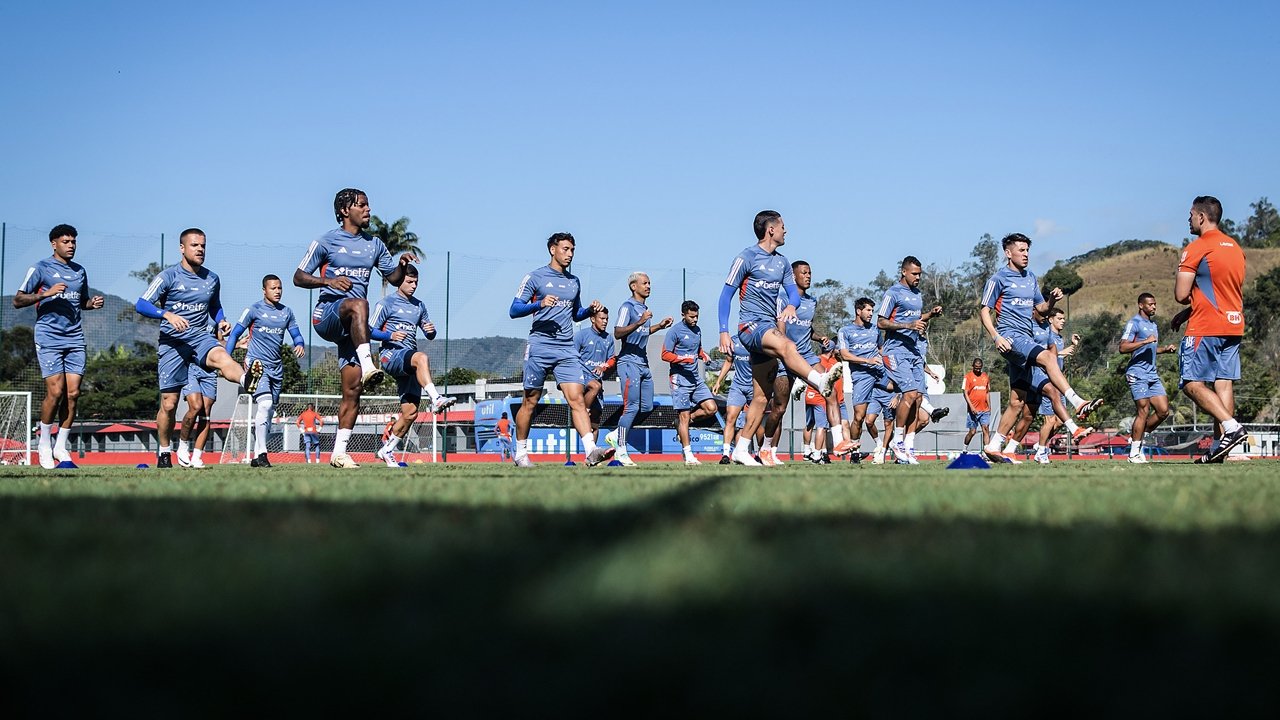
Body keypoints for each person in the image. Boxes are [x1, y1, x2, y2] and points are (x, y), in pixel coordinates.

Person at [294, 188, 415, 468]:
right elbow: (298, 277)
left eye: (368, 204)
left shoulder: (375, 244)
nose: (368, 210)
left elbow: (394, 278)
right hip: (327, 316)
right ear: (345, 210)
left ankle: (338, 452)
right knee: (360, 304)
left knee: (353, 390)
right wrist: (329, 283)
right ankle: (369, 362)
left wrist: (401, 265)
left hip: (354, 329)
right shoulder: (326, 241)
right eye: (362, 205)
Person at [716, 211, 840, 466]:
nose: (786, 230)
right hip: (750, 327)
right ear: (770, 229)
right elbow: (725, 296)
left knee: (761, 397)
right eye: (783, 226)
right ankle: (819, 380)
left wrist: (792, 306)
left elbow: (793, 295)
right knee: (787, 344)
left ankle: (741, 449)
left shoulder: (783, 262)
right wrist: (723, 330)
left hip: (767, 329)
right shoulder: (746, 258)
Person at [136, 228, 261, 468]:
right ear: (182, 248)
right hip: (172, 343)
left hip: (199, 338)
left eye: (203, 245)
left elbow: (215, 306)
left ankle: (246, 379)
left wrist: (221, 320)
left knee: (221, 355)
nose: (200, 249)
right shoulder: (168, 276)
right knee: (169, 404)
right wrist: (167, 314)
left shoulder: (212, 278)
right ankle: (164, 451)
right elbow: (141, 304)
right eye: (195, 245)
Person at [979, 233, 1102, 463]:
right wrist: (996, 337)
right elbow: (984, 310)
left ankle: (994, 445)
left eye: (1027, 250)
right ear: (1008, 253)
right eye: (1021, 250)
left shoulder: (1031, 278)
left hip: (1024, 339)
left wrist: (1053, 301)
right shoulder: (998, 279)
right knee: (1047, 357)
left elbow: (1042, 309)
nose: (1026, 255)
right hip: (1010, 336)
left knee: (1018, 401)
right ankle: (1077, 401)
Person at [508, 232, 614, 467]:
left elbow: (575, 314)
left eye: (572, 250)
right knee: (530, 401)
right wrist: (539, 303)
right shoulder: (535, 277)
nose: (570, 254)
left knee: (576, 399)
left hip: (566, 348)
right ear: (552, 249)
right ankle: (520, 453)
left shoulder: (574, 281)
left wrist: (589, 311)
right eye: (565, 249)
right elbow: (514, 310)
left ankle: (591, 450)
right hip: (540, 345)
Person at [13, 224, 104, 469]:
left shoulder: (79, 271)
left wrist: (91, 303)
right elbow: (18, 299)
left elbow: (80, 301)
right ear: (54, 244)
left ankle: (60, 446)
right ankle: (43, 443)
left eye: (73, 241)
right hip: (49, 337)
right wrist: (45, 294)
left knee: (73, 394)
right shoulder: (40, 268)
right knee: (55, 392)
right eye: (66, 241)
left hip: (75, 337)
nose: (71, 245)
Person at [1171, 195, 1248, 463]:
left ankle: (1231, 427)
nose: (1188, 219)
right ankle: (1219, 447)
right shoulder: (1235, 247)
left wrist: (1186, 303)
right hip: (1234, 325)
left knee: (1191, 383)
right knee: (1223, 383)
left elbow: (1181, 293)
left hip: (1206, 326)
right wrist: (1187, 311)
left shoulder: (1197, 247)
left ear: (1201, 217)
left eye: (1191, 214)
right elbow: (1218, 290)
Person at [762, 260, 851, 465]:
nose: (808, 276)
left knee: (830, 391)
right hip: (785, 357)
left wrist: (819, 338)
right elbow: (780, 328)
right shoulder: (782, 298)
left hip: (807, 356)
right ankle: (766, 449)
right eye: (804, 273)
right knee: (779, 408)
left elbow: (806, 329)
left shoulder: (811, 302)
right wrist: (785, 352)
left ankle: (838, 441)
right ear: (793, 277)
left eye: (810, 272)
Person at [369, 264, 457, 467]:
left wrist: (430, 331)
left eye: (416, 282)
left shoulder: (419, 306)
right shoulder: (386, 304)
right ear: (399, 281)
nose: (414, 285)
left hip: (408, 362)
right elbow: (367, 330)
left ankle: (387, 450)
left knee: (410, 414)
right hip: (391, 356)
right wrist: (389, 335)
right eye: (409, 281)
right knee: (422, 358)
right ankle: (435, 398)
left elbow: (429, 333)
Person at [225, 274, 306, 468]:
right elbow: (235, 333)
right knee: (265, 404)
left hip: (276, 367)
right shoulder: (253, 310)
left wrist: (299, 343)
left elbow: (296, 333)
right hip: (255, 364)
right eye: (273, 288)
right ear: (264, 290)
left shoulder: (287, 312)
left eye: (279, 288)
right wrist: (226, 360)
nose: (277, 291)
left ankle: (256, 454)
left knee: (269, 412)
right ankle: (262, 454)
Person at [877, 255, 943, 465]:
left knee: (917, 398)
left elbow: (916, 318)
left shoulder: (917, 294)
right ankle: (897, 441)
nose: (918, 277)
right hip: (895, 351)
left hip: (914, 352)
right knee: (910, 393)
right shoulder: (893, 293)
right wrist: (908, 326)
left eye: (920, 274)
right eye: (914, 274)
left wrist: (929, 315)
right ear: (903, 272)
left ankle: (909, 446)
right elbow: (881, 322)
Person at [608, 271, 674, 466]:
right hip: (628, 363)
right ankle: (621, 450)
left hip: (643, 363)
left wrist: (659, 326)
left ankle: (616, 434)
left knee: (647, 406)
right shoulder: (627, 307)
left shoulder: (644, 308)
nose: (648, 286)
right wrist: (639, 321)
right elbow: (618, 332)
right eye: (644, 283)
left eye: (649, 283)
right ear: (633, 286)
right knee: (631, 407)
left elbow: (642, 331)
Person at [1120, 293, 1178, 463]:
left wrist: (1164, 349)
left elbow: (1151, 349)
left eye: (1155, 304)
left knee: (1163, 410)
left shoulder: (1153, 325)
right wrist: (1144, 342)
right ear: (1141, 305)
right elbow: (1122, 347)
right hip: (1137, 373)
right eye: (1151, 304)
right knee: (1143, 411)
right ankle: (1134, 454)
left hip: (1152, 374)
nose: (1154, 307)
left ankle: (1138, 436)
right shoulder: (1134, 323)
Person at [663, 300, 720, 466]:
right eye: (691, 316)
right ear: (683, 315)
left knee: (711, 408)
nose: (695, 320)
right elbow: (665, 354)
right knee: (684, 416)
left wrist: (704, 355)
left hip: (695, 379)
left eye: (697, 316)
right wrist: (682, 358)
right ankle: (688, 455)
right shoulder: (674, 332)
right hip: (679, 379)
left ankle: (680, 423)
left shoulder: (698, 330)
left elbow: (697, 349)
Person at [838, 297, 884, 464]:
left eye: (872, 310)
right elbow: (844, 354)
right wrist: (867, 361)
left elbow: (881, 349)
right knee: (859, 417)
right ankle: (854, 452)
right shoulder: (845, 331)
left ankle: (897, 447)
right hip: (861, 377)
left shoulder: (876, 330)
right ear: (858, 311)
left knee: (905, 395)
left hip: (880, 374)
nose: (871, 313)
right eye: (868, 310)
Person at [177, 328, 218, 469]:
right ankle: (182, 446)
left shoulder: (217, 318)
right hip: (189, 367)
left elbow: (218, 342)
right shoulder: (190, 312)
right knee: (195, 406)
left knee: (205, 415)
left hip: (209, 371)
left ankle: (196, 457)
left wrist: (236, 344)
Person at [711, 334, 754, 465]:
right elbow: (729, 361)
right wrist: (718, 381)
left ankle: (750, 453)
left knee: (751, 422)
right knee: (730, 418)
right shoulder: (733, 341)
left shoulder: (757, 341)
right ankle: (725, 455)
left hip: (754, 387)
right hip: (738, 387)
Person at [576, 306, 617, 441]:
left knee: (594, 424)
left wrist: (603, 367)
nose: (605, 321)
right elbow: (571, 355)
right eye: (602, 318)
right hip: (582, 377)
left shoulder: (609, 339)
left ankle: (592, 455)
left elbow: (611, 359)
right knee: (595, 386)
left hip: (597, 379)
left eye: (607, 319)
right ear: (592, 319)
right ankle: (584, 410)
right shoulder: (581, 335)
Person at [961, 358, 991, 451]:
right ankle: (964, 449)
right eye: (976, 368)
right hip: (973, 410)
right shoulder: (968, 377)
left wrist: (989, 406)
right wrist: (971, 407)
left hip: (985, 410)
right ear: (973, 366)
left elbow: (987, 392)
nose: (978, 370)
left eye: (980, 368)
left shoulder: (985, 376)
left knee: (985, 429)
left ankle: (987, 452)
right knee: (972, 431)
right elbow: (965, 393)